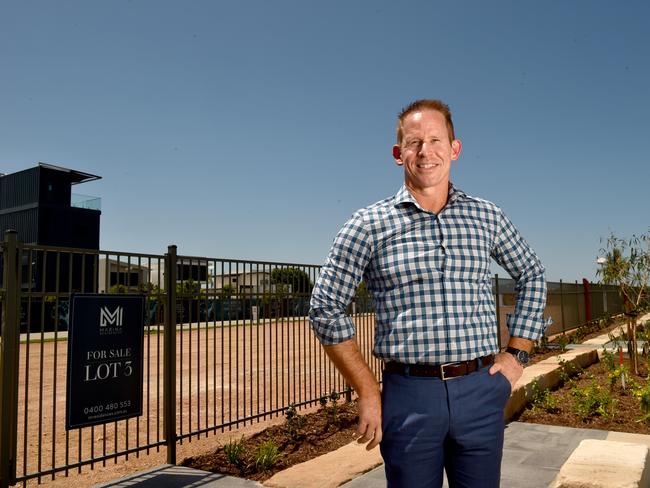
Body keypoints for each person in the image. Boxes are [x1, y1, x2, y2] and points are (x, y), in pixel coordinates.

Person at [309, 99, 547, 488]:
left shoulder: (487, 216)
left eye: (436, 140)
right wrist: (368, 390)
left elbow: (532, 272)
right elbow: (325, 308)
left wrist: (517, 353)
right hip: (409, 398)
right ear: (397, 154)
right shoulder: (367, 224)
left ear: (455, 149)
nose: (425, 151)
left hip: (481, 389)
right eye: (414, 142)